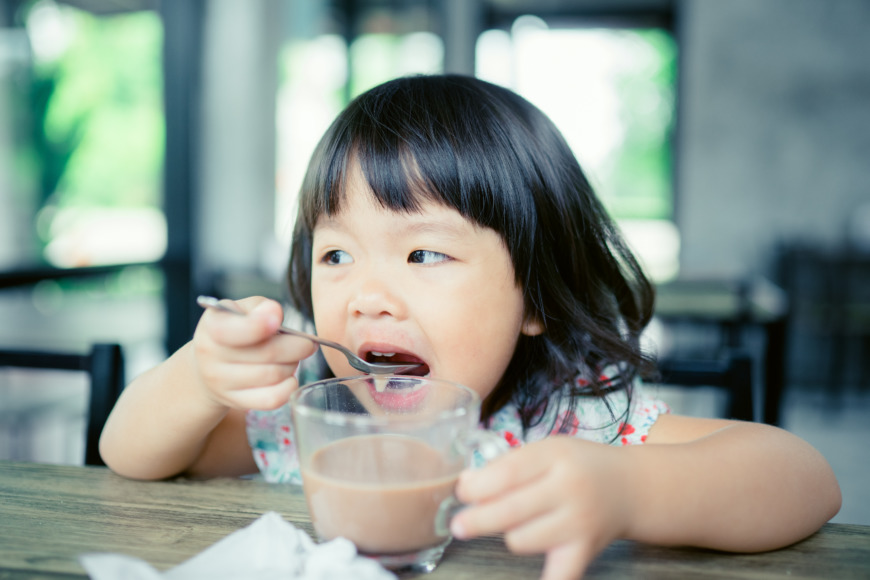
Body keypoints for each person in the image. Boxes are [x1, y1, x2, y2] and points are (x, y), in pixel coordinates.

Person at [100, 74, 841, 580]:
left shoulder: (571, 427)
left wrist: (626, 488)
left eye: (424, 252)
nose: (368, 294)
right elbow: (128, 453)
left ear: (533, 299)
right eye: (336, 254)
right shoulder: (316, 425)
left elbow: (807, 481)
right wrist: (197, 379)